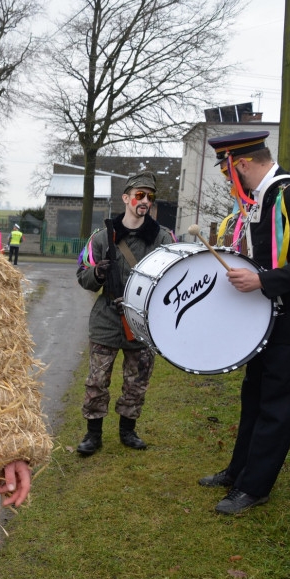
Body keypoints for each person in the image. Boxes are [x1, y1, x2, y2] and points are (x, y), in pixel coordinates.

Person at [198, 131, 290, 515]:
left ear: (243, 163)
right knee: (254, 395)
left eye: (230, 173)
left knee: (278, 405)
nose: (230, 181)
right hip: (269, 318)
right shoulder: (259, 199)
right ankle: (238, 471)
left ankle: (254, 487)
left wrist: (263, 281)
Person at [75, 170, 175, 456]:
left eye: (150, 197)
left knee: (137, 380)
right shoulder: (101, 237)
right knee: (96, 380)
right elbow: (82, 275)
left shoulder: (163, 238)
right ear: (126, 198)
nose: (144, 201)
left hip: (143, 322)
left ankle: (127, 431)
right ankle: (93, 435)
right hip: (106, 317)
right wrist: (97, 273)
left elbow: (173, 280)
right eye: (139, 195)